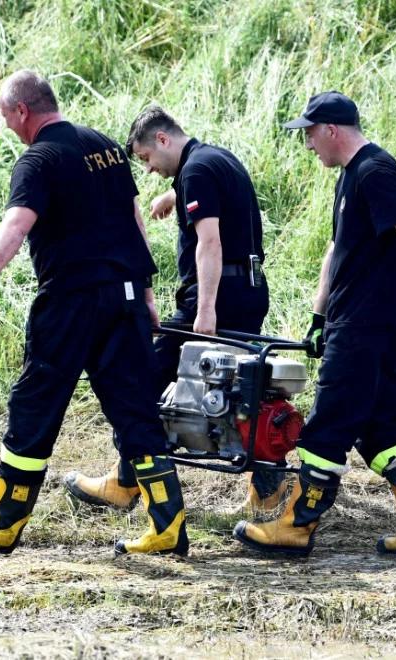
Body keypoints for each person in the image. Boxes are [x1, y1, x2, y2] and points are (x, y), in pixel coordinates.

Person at [0, 70, 188, 557]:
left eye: (5, 115)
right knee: (135, 409)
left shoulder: (38, 160)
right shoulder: (108, 148)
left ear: (22, 112)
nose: (5, 123)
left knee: (35, 404)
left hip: (73, 300)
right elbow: (133, 220)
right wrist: (147, 292)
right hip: (126, 296)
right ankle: (168, 526)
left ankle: (3, 522)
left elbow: (17, 223)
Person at [234, 91, 396, 556]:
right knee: (381, 429)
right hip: (361, 318)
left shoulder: (375, 170)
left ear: (331, 129)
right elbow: (337, 250)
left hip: (369, 321)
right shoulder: (349, 178)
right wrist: (319, 315)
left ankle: (296, 526)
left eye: (309, 134)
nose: (307, 145)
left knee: (329, 423)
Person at [63, 106, 290, 513]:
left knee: (138, 383)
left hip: (217, 295)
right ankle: (267, 492)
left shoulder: (197, 172)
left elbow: (210, 243)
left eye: (148, 158)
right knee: (244, 391)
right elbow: (219, 197)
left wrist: (204, 311)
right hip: (250, 289)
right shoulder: (216, 158)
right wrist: (174, 194)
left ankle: (125, 482)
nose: (149, 169)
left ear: (163, 140)